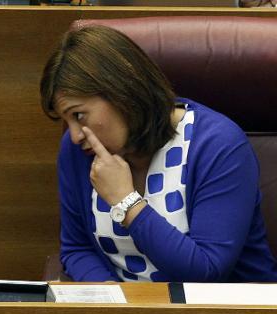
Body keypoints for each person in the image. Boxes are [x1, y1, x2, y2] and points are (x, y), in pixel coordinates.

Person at [40, 25, 277, 282]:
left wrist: (126, 201)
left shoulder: (219, 145)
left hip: (229, 313)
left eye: (79, 115)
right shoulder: (77, 151)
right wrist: (108, 298)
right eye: (66, 120)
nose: (75, 135)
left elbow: (206, 271)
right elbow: (78, 248)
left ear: (123, 92)